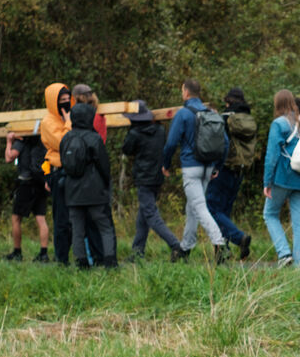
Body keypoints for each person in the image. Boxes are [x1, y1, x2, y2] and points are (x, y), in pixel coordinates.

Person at [162, 78, 229, 263]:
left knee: (199, 206)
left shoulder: (183, 114)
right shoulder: (211, 113)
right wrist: (217, 166)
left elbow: (171, 143)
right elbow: (225, 143)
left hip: (191, 167)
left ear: (185, 92)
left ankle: (220, 244)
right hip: (208, 167)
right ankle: (185, 248)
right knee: (192, 207)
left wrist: (166, 164)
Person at [119, 101, 184, 261]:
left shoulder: (135, 134)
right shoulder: (160, 130)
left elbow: (126, 149)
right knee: (143, 217)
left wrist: (131, 130)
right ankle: (137, 252)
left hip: (144, 178)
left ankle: (175, 245)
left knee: (150, 215)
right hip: (157, 177)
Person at [58, 102, 117, 269]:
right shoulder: (94, 138)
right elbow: (104, 165)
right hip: (95, 191)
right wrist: (106, 183)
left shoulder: (66, 139)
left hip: (72, 192)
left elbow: (64, 163)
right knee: (105, 226)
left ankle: (81, 263)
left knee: (77, 229)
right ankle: (110, 262)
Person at [262, 89, 300, 267]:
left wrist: (267, 182)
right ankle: (299, 265)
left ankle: (284, 253)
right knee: (298, 220)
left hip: (283, 177)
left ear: (277, 104)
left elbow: (272, 155)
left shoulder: (279, 124)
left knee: (270, 214)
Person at [206, 87, 256, 261]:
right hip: (239, 171)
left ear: (228, 102)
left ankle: (239, 238)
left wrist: (214, 167)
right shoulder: (248, 118)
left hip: (225, 168)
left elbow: (220, 144)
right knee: (224, 212)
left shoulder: (226, 118)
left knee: (211, 208)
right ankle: (223, 252)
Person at [3, 121, 50, 262]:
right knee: (41, 219)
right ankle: (43, 254)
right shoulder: (43, 141)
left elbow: (9, 157)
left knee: (16, 218)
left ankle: (17, 252)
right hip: (40, 182)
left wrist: (9, 142)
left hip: (25, 183)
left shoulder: (21, 141)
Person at [40, 82, 76, 264]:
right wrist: (69, 122)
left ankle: (78, 255)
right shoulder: (48, 122)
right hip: (58, 171)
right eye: (62, 100)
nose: (66, 103)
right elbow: (64, 142)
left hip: (73, 171)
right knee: (61, 219)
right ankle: (62, 260)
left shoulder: (70, 116)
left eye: (68, 99)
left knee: (74, 217)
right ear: (53, 101)